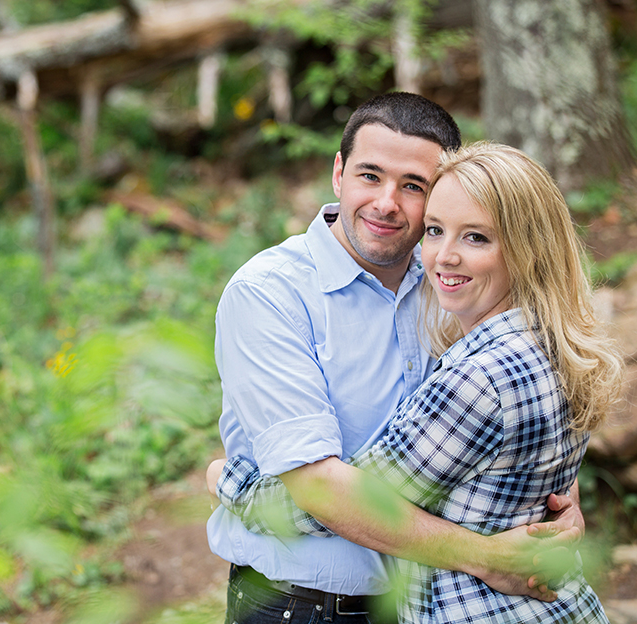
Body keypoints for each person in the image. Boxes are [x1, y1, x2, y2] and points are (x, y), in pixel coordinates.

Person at [208, 92, 585, 624]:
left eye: (414, 186)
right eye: (369, 175)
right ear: (339, 173)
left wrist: (560, 505)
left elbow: (521, 414)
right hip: (304, 606)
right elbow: (316, 486)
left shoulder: (455, 282)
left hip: (426, 605)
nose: (387, 202)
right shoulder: (270, 294)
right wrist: (487, 557)